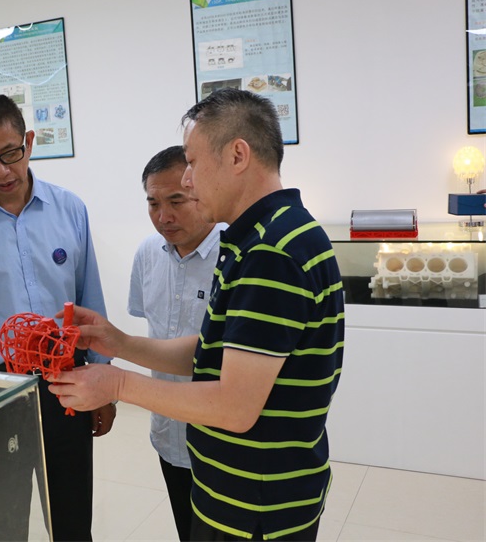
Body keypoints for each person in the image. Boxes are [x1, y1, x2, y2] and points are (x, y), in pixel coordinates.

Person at [50, 88, 345, 541]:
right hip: (241, 488)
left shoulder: (271, 252)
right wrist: (120, 344)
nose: (187, 180)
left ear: (238, 155)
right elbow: (215, 353)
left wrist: (117, 384)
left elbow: (234, 406)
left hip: (255, 502)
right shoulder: (260, 237)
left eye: (191, 161)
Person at [0, 93, 116, 541]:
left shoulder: (69, 209)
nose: (1, 172)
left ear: (29, 142)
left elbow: (90, 300)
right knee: (1, 528)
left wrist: (104, 382)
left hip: (66, 382)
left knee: (72, 521)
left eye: (10, 154)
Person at [129, 145, 225, 541]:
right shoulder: (147, 254)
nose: (163, 216)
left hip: (223, 440)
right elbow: (154, 332)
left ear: (200, 191)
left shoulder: (235, 255)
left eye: (176, 201)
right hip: (168, 431)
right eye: (153, 204)